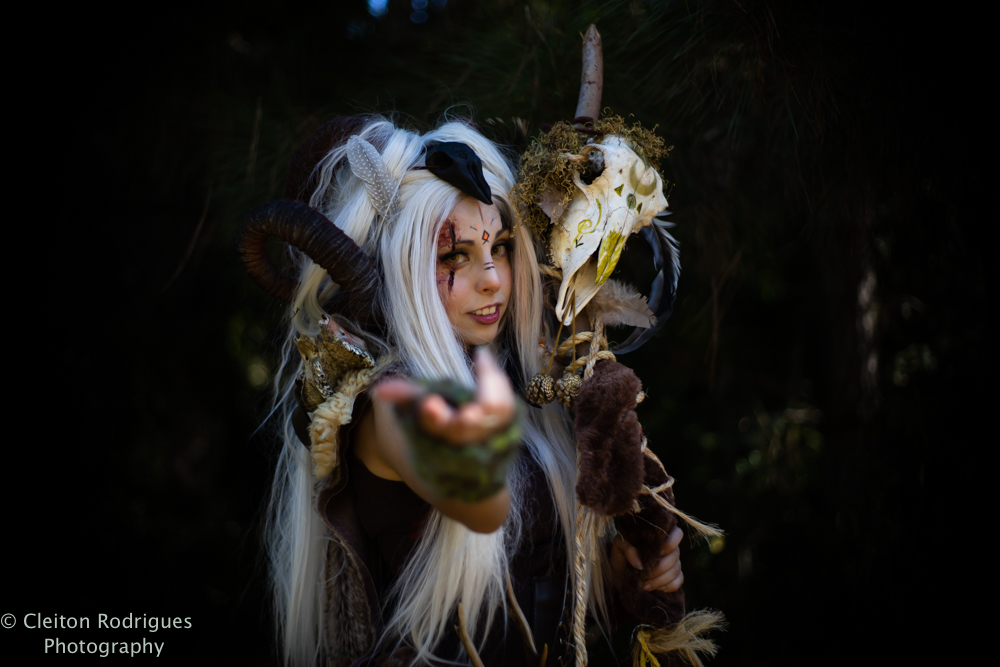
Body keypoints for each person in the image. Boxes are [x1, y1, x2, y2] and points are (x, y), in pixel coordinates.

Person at [240, 115, 685, 667]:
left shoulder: (521, 390)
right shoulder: (389, 405)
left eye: (501, 247)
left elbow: (530, 584)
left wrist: (613, 578)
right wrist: (595, 416)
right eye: (455, 255)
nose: (492, 278)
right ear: (403, 269)